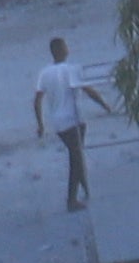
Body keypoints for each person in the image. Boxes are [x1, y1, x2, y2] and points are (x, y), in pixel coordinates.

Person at [32, 30, 94, 204]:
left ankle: (85, 190)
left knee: (76, 156)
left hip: (58, 123)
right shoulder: (72, 69)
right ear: (61, 50)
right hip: (74, 121)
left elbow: (37, 101)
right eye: (65, 46)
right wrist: (104, 105)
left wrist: (41, 124)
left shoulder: (44, 73)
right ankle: (72, 199)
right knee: (76, 158)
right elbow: (88, 90)